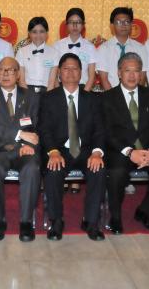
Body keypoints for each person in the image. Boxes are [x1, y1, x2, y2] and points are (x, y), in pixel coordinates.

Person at [101, 53, 149, 234]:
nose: (132, 75)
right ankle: (115, 217)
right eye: (127, 70)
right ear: (119, 73)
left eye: (136, 71)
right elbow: (107, 132)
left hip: (148, 149)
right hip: (120, 150)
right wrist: (129, 152)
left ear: (141, 74)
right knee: (116, 173)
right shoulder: (107, 97)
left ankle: (145, 212)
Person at [38, 53, 106, 241]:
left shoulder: (93, 99)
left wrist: (97, 153)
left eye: (74, 68)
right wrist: (53, 151)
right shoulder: (48, 98)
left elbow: (100, 130)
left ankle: (91, 221)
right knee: (53, 170)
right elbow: (44, 129)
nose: (70, 72)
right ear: (59, 73)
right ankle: (56, 221)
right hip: (59, 150)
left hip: (86, 151)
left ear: (81, 72)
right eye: (66, 68)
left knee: (99, 170)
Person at [0, 57, 41, 242]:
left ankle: (26, 222)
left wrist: (28, 145)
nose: (5, 74)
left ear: (18, 74)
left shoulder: (31, 97)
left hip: (24, 150)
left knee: (32, 168)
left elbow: (36, 126)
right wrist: (20, 135)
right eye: (1, 70)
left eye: (10, 70)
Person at [97, 7, 148, 90]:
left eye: (127, 22)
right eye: (119, 22)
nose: (123, 25)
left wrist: (134, 95)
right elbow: (104, 80)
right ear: (112, 25)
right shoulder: (103, 49)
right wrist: (114, 97)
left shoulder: (141, 48)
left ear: (131, 25)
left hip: (135, 95)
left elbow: (142, 77)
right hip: (111, 94)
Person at [53, 8, 97, 91]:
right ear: (66, 24)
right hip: (61, 88)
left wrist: (84, 94)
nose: (75, 25)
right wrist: (60, 93)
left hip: (83, 88)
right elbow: (54, 73)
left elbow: (91, 76)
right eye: (71, 22)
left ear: (83, 25)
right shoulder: (57, 46)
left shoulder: (90, 47)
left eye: (78, 22)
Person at [15, 16, 59, 93]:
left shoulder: (54, 53)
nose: (38, 35)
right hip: (26, 91)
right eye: (34, 32)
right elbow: (21, 80)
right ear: (29, 33)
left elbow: (51, 82)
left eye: (42, 31)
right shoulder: (21, 52)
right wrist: (27, 96)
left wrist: (47, 96)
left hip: (47, 91)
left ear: (47, 33)